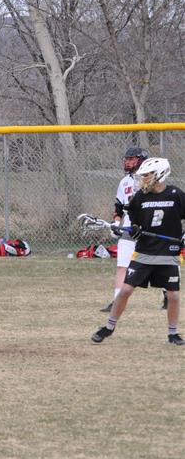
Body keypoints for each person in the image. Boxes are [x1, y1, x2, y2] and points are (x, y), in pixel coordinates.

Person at [92, 157, 184, 346]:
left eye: (147, 175)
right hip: (144, 252)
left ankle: (173, 333)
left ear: (159, 175)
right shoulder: (140, 197)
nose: (143, 179)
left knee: (173, 295)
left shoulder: (176, 194)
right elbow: (134, 222)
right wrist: (135, 229)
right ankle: (108, 327)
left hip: (169, 253)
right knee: (125, 290)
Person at [102, 146, 159, 312]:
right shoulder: (124, 182)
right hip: (129, 228)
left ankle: (167, 296)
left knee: (158, 263)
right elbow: (119, 207)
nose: (127, 162)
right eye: (126, 159)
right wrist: (116, 223)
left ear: (141, 160)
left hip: (149, 227)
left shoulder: (152, 180)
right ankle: (117, 301)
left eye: (131, 159)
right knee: (122, 265)